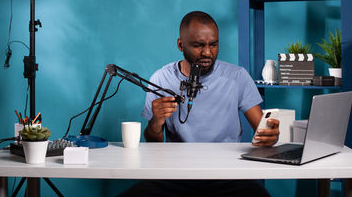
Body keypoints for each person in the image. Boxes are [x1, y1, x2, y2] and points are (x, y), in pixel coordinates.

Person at [118, 11, 279, 197]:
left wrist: (270, 136)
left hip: (227, 174)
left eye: (214, 45)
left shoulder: (237, 76)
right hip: (175, 174)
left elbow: (262, 130)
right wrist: (156, 122)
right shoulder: (161, 79)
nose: (207, 53)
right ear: (181, 45)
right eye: (198, 45)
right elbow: (153, 143)